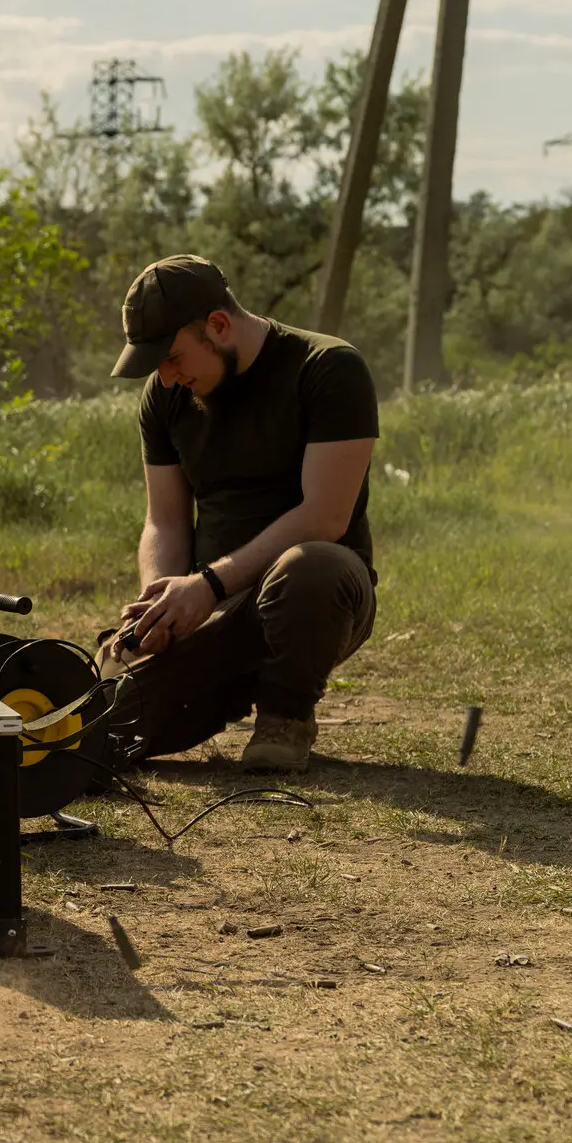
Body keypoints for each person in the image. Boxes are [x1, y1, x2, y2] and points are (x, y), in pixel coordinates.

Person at [100, 255, 379, 773]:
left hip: (316, 603)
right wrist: (162, 605)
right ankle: (214, 679)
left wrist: (207, 584)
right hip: (216, 609)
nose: (166, 376)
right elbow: (165, 520)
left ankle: (285, 716)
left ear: (219, 325)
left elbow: (325, 516)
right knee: (102, 720)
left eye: (173, 357)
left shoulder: (329, 369)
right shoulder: (166, 395)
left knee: (312, 565)